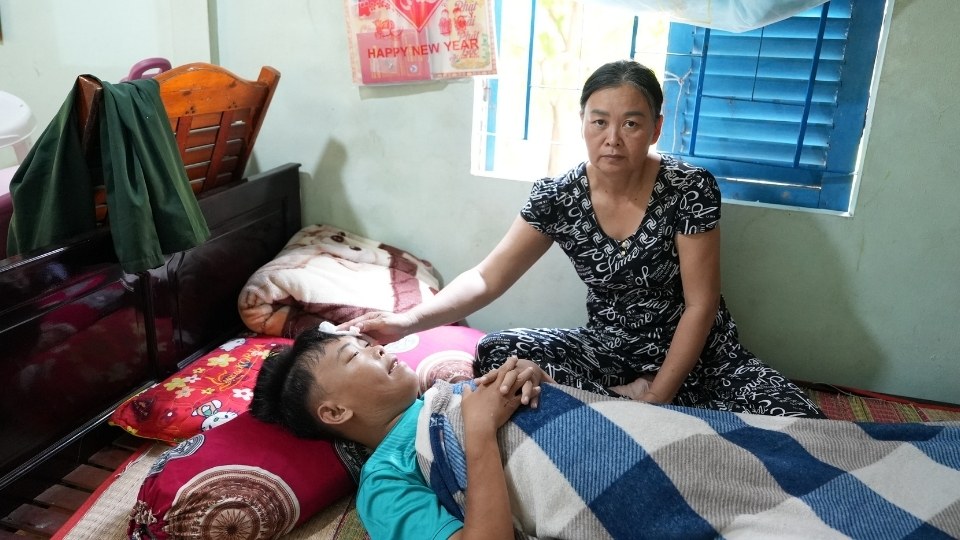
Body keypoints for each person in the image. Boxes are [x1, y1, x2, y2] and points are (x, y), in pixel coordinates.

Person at [340, 59, 821, 417]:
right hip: (609, 352)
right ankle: (627, 405)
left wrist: (658, 395)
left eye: (631, 123)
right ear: (583, 123)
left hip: (700, 355)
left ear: (655, 128)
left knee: (801, 419)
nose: (613, 138)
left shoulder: (689, 188)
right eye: (599, 121)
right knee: (497, 354)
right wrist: (406, 322)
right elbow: (487, 278)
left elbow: (701, 304)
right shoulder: (558, 197)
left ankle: (637, 408)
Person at [251, 326, 547, 540]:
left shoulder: (445, 395)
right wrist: (479, 430)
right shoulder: (384, 481)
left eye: (367, 344)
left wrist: (532, 377)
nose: (378, 348)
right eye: (354, 355)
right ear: (336, 412)